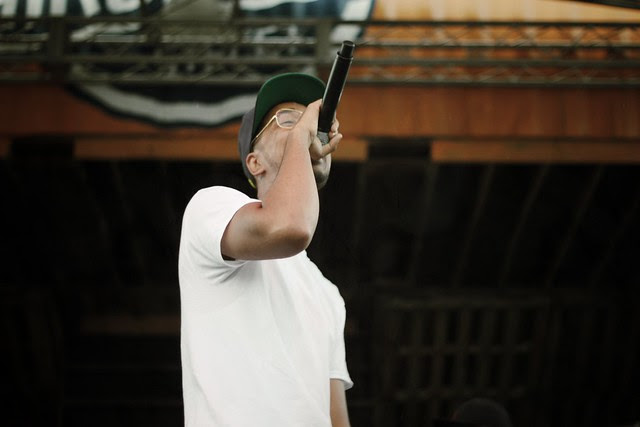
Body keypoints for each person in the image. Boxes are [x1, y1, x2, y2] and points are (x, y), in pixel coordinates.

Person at [178, 72, 353, 427]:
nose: (309, 127)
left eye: (312, 121)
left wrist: (297, 136)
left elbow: (336, 417)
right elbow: (290, 227)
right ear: (254, 162)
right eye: (289, 120)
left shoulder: (328, 295)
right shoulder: (212, 208)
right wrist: (301, 138)